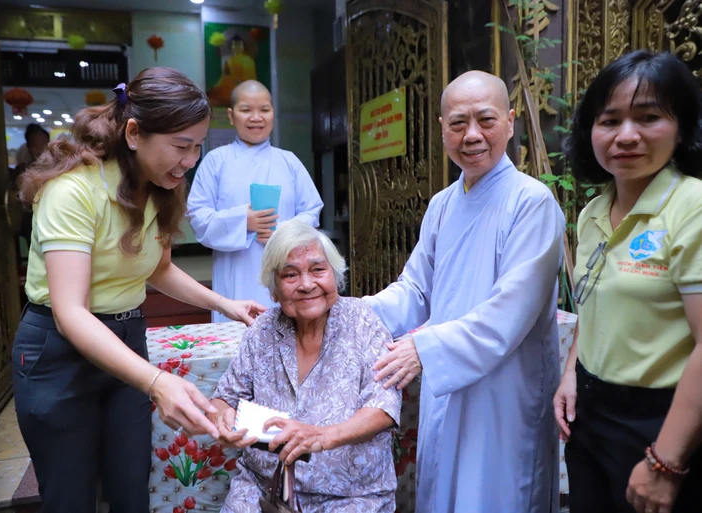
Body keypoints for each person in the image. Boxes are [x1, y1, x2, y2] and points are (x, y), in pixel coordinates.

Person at [13, 68, 265, 513]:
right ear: (134, 133)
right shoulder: (73, 191)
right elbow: (71, 312)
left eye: (198, 146)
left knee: (132, 490)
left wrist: (224, 303)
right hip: (59, 351)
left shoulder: (157, 189)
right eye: (181, 146)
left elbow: (159, 269)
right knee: (70, 496)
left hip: (126, 342)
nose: (190, 160)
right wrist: (155, 380)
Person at [364, 70, 565, 513]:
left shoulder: (531, 202)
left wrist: (426, 347)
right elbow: (415, 288)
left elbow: (510, 312)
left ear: (511, 122)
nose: (471, 135)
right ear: (441, 129)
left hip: (505, 390)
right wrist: (349, 314)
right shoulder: (441, 204)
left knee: (497, 494)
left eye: (485, 120)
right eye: (458, 123)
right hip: (449, 379)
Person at [555, 50, 702, 513]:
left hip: (661, 421)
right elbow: (594, 303)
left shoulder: (691, 208)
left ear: (682, 129)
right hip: (593, 414)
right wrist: (572, 373)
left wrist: (665, 463)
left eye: (649, 117)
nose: (627, 136)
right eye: (610, 120)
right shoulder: (594, 211)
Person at [209, 219, 402, 512]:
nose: (307, 284)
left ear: (335, 277)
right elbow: (225, 398)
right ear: (273, 290)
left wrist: (322, 436)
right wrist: (222, 418)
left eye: (317, 269)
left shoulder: (362, 322)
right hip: (264, 490)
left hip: (350, 495)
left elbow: (383, 408)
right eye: (290, 275)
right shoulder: (262, 331)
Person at [187, 80, 324, 322]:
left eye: (264, 109)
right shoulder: (215, 161)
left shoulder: (289, 162)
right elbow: (198, 216)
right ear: (231, 115)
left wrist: (283, 233)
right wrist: (243, 221)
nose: (256, 117)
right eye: (246, 110)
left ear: (273, 113)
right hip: (235, 276)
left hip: (285, 271)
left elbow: (311, 211)